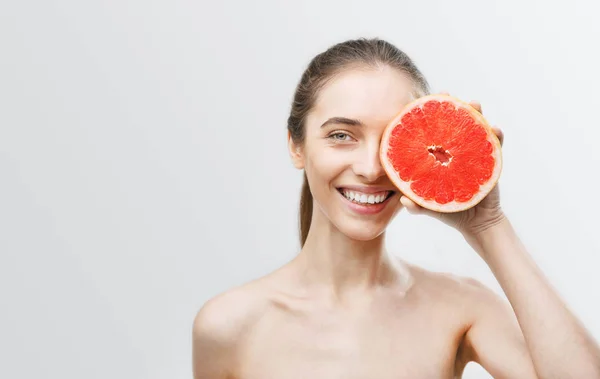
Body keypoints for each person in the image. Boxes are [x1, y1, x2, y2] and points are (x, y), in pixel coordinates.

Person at [192, 38, 600, 378]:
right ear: (296, 145)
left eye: (393, 139)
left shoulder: (462, 308)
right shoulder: (229, 325)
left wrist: (488, 223)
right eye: (341, 135)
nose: (371, 168)